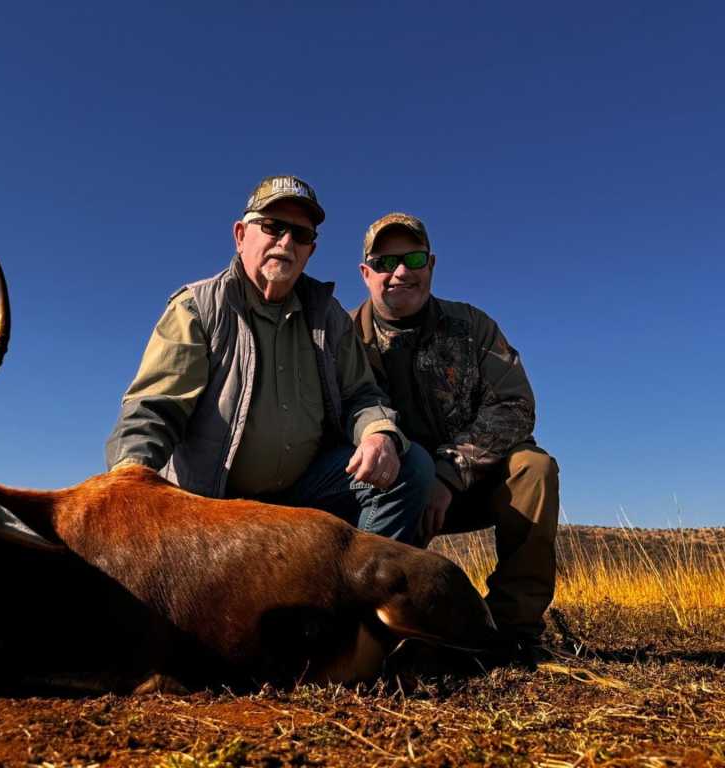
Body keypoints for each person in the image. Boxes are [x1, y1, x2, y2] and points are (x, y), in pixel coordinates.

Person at [106, 176, 434, 544]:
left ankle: (358, 581)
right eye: (273, 226)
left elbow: (361, 395)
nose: (286, 242)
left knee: (410, 466)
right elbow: (155, 409)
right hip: (212, 504)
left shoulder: (329, 317)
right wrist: (129, 477)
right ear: (240, 235)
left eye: (301, 234)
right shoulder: (197, 309)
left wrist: (378, 433)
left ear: (310, 250)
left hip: (303, 495)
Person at [351, 211, 559, 653]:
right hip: (390, 489)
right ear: (366, 273)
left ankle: (512, 633)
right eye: (385, 263)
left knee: (533, 469)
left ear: (431, 265)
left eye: (413, 259)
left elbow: (514, 407)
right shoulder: (343, 336)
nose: (400, 272)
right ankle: (371, 628)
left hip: (468, 486)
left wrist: (448, 474)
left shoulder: (472, 327)